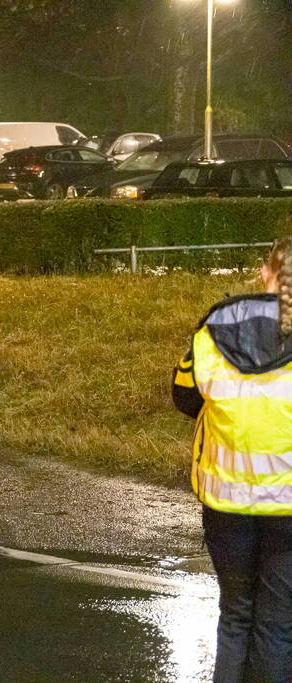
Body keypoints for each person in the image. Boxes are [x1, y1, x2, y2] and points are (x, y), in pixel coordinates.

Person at [172, 235, 292, 683]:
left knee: (235, 615)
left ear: (266, 273)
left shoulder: (215, 330)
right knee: (279, 624)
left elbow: (184, 396)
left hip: (225, 499)